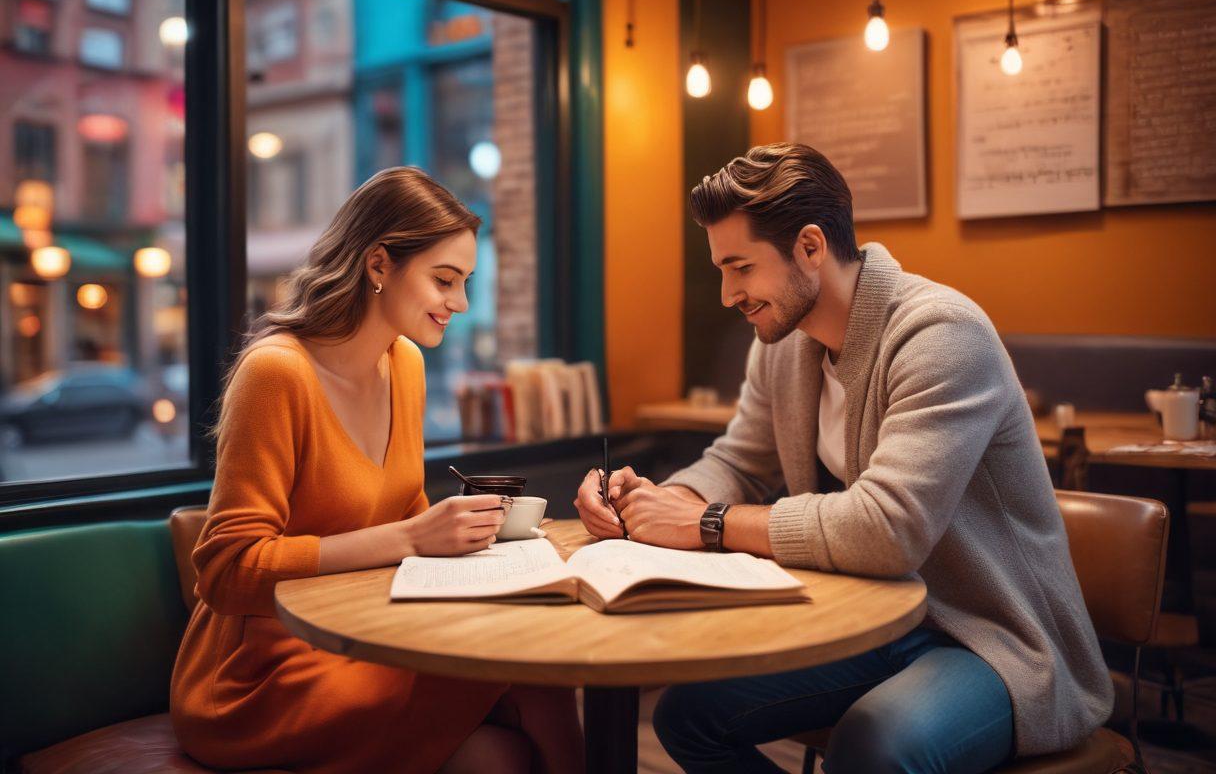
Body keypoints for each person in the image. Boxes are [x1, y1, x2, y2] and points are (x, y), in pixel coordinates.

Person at [574, 144, 1113, 773]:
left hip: (992, 639)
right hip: (875, 621)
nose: (727, 294)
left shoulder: (941, 334)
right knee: (687, 715)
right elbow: (740, 461)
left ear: (810, 246)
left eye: (741, 267)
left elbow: (889, 529)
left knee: (872, 746)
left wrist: (705, 523)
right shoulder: (782, 343)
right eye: (722, 269)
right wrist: (655, 500)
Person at [172, 167, 583, 774]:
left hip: (373, 628)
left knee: (519, 705)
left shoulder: (405, 363)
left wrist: (481, 543)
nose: (461, 303)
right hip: (266, 671)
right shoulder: (276, 373)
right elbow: (227, 573)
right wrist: (413, 538)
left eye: (464, 282)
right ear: (379, 265)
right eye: (444, 280)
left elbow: (403, 507)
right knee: (522, 676)